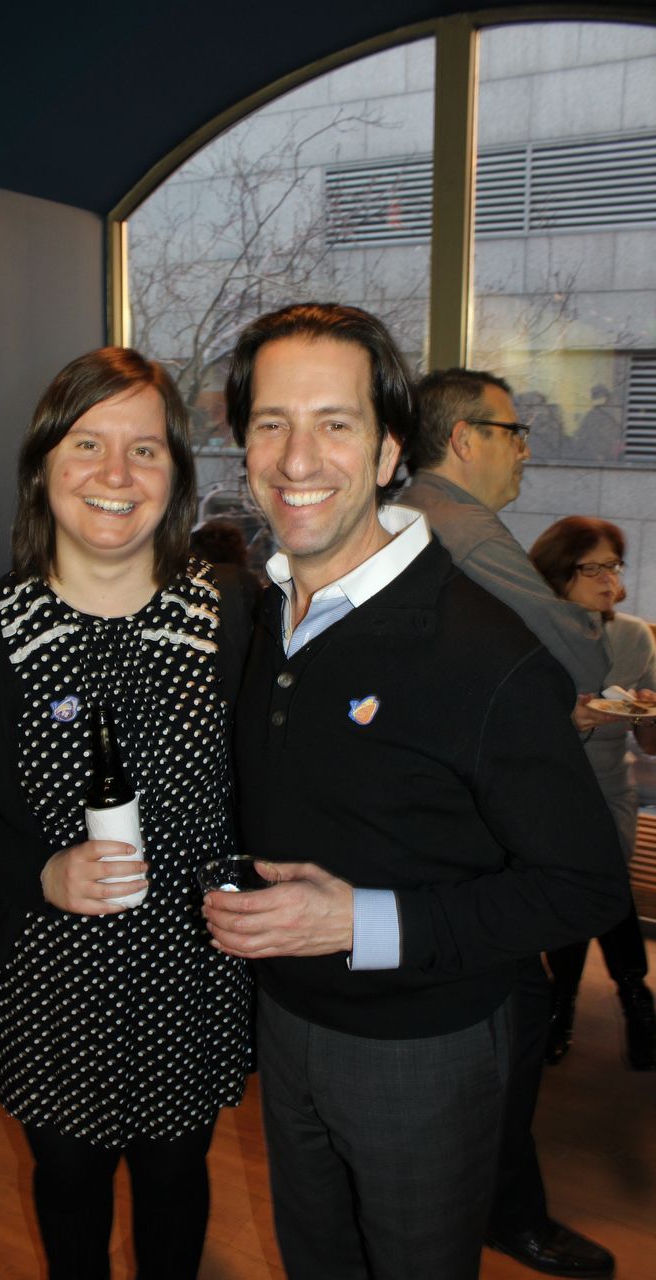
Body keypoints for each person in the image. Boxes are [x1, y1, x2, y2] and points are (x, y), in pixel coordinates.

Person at [202, 303, 629, 1280]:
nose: (297, 455)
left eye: (334, 422)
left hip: (420, 1043)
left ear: (391, 449)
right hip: (288, 1018)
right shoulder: (267, 608)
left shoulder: (482, 651)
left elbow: (584, 884)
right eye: (272, 421)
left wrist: (361, 919)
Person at [0, 348, 254, 1280]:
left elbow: (275, 785)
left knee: (180, 1174)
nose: (115, 474)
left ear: (177, 474)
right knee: (66, 1177)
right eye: (87, 443)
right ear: (42, 466)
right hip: (46, 974)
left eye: (145, 450)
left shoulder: (233, 616)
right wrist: (41, 870)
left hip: (192, 968)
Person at [400, 368, 620, 1278]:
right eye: (512, 429)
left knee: (507, 1016)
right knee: (508, 1018)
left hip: (425, 811)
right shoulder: (458, 525)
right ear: (463, 439)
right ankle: (495, 1212)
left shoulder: (403, 516)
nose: (525, 446)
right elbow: (573, 645)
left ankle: (496, 1204)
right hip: (453, 828)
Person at [530, 517, 656, 1069]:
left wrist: (651, 712)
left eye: (614, 566)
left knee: (591, 877)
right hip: (545, 790)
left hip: (609, 788)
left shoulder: (632, 635)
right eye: (593, 568)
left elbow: (647, 742)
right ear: (559, 575)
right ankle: (635, 1002)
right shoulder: (530, 634)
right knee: (591, 883)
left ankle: (564, 1005)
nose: (609, 579)